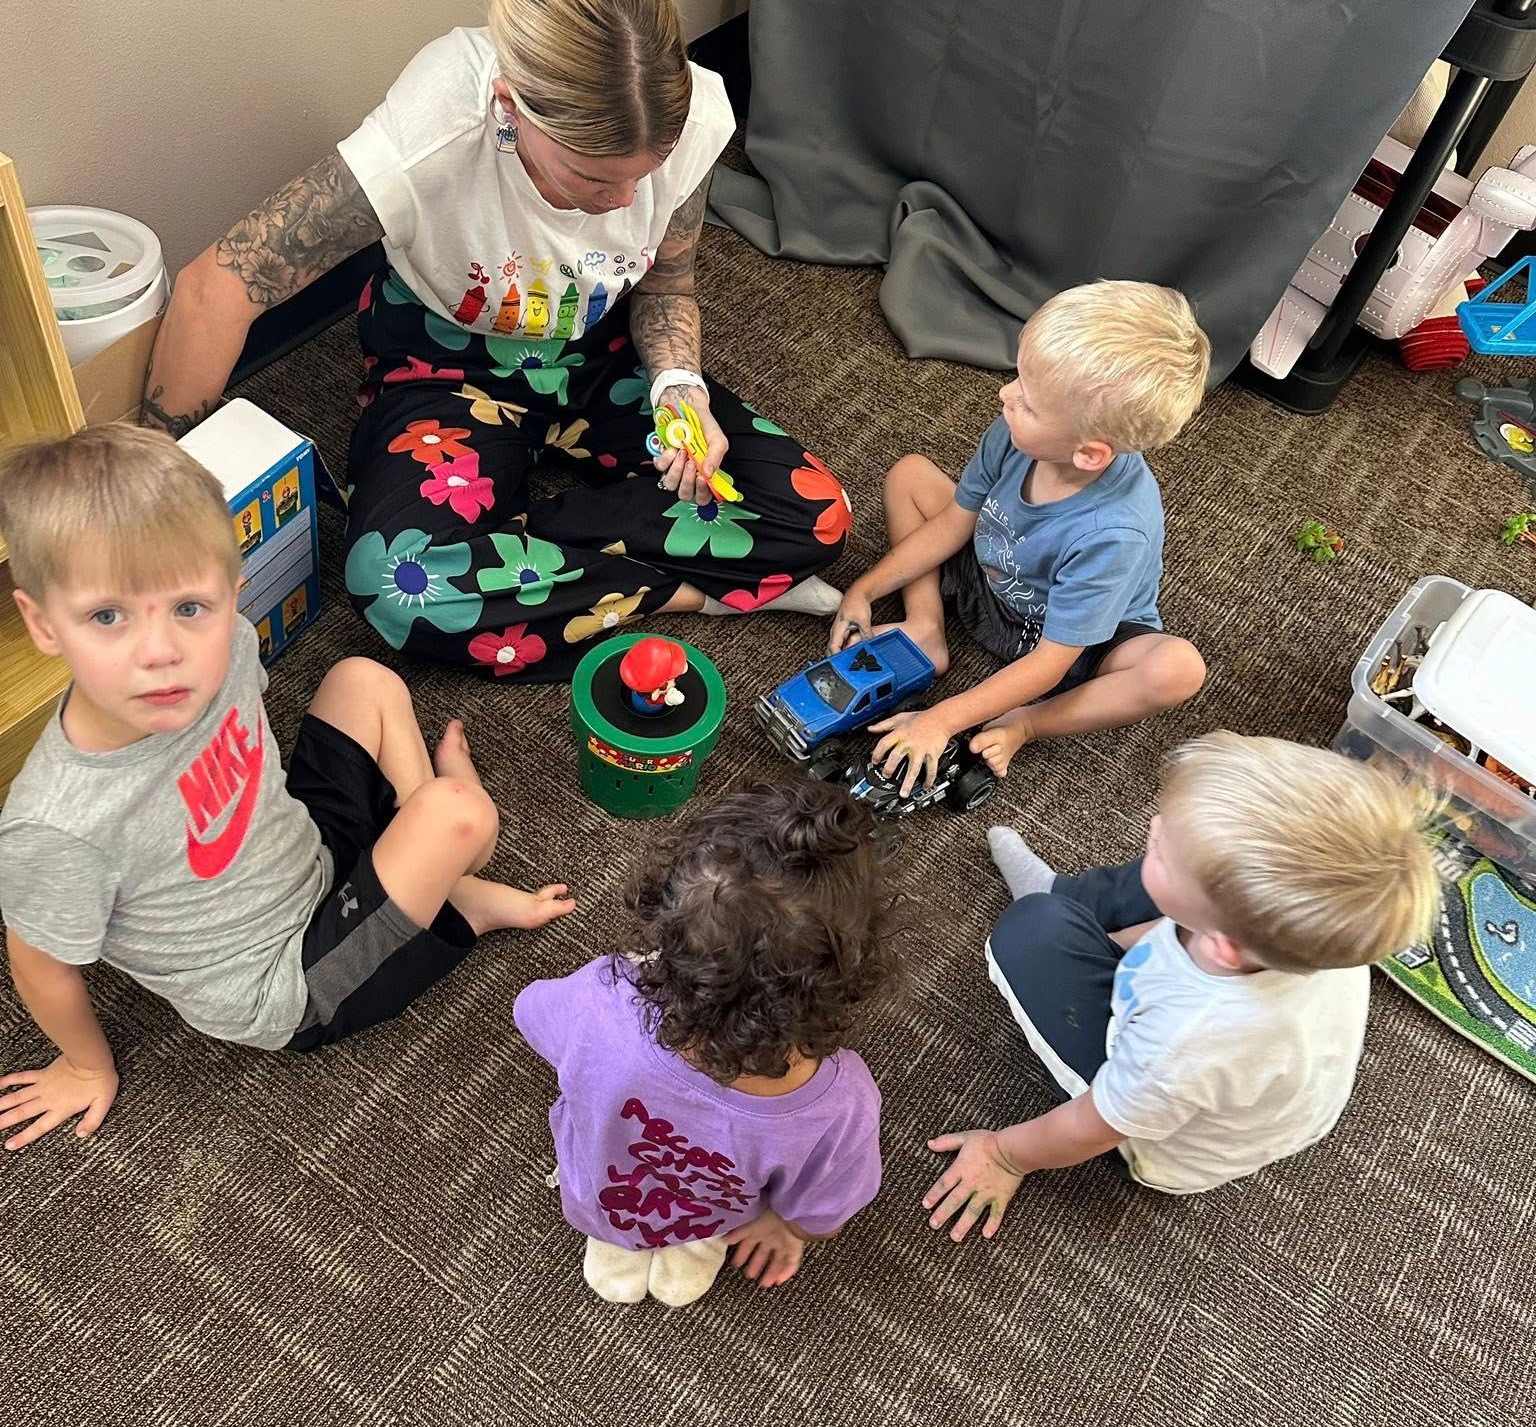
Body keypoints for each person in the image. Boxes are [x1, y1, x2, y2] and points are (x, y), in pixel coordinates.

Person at [141, 0, 848, 683]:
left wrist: (678, 388)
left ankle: (527, 555)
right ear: (510, 109)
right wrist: (153, 508)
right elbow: (220, 286)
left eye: (640, 178)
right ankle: (686, 589)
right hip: (446, 365)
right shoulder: (433, 132)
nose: (622, 204)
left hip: (594, 347)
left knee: (815, 512)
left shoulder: (691, 116)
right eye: (590, 177)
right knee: (393, 588)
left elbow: (668, 282)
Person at [0, 426, 573, 1152]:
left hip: (306, 851)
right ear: (43, 623)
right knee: (460, 816)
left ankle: (430, 858)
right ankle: (457, 898)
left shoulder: (229, 642)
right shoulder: (57, 827)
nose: (161, 652)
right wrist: (85, 1066)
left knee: (361, 680)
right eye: (107, 616)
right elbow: (39, 963)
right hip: (284, 981)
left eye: (188, 607)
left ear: (230, 589)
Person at [923, 734, 1439, 1237]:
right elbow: (1176, 922)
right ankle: (1073, 898)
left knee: (1029, 932)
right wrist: (1157, 894)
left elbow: (1096, 1124)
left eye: (1161, 844)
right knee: (1182, 869)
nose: (1152, 825)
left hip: (1153, 1137)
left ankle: (1064, 907)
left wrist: (1004, 1154)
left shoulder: (1187, 1042)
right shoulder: (1313, 931)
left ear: (1220, 947)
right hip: (1234, 1042)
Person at [514, 780, 899, 1306]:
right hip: (713, 1218)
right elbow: (829, 1205)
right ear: (850, 977)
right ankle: (687, 1248)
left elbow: (531, 1012)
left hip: (598, 1194)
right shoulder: (843, 1103)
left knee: (611, 1223)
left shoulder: (601, 999)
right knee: (691, 1253)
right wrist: (790, 1230)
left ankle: (615, 1241)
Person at [827, 281, 1210, 790]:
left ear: (1089, 453)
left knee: (1177, 670)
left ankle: (1026, 722)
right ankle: (926, 627)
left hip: (1067, 642)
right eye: (1018, 381)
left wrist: (942, 719)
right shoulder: (1013, 432)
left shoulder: (1115, 533)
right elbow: (952, 524)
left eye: (1028, 402)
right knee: (911, 475)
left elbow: (1050, 664)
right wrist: (866, 589)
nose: (1006, 395)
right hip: (992, 572)